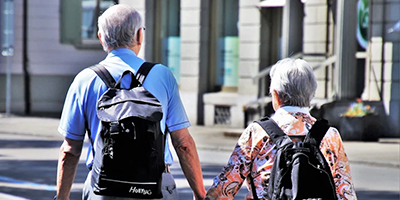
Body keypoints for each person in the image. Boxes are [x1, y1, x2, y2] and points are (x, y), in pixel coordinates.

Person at [55, 4, 206, 200]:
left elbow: (70, 150)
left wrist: (62, 197)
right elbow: (183, 143)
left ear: (101, 38)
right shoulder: (163, 76)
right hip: (156, 188)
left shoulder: (84, 80)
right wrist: (200, 194)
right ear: (139, 36)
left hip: (103, 188)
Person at [205, 58, 358, 200]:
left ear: (276, 96)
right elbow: (346, 193)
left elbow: (224, 189)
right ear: (311, 96)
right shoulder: (330, 135)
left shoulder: (257, 133)